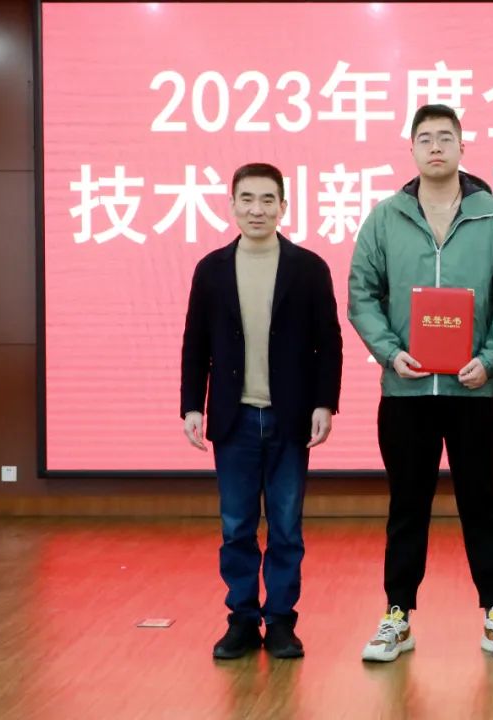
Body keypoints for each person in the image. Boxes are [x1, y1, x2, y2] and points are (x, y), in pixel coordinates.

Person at [348, 104, 493, 663]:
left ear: (461, 147)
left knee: (482, 504)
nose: (435, 146)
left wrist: (491, 360)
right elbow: (361, 294)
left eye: (445, 137)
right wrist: (390, 352)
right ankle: (397, 616)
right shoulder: (385, 217)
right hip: (406, 393)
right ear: (411, 149)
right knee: (408, 505)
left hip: (474, 391)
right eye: (425, 138)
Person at [180, 162, 343, 659]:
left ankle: (282, 621)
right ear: (231, 205)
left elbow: (329, 343)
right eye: (247, 199)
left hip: (289, 417)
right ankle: (243, 619)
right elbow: (195, 343)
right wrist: (192, 405)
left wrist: (325, 403)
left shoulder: (308, 268)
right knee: (237, 527)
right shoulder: (211, 269)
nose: (257, 209)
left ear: (283, 206)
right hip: (233, 420)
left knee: (287, 528)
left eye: (268, 199)